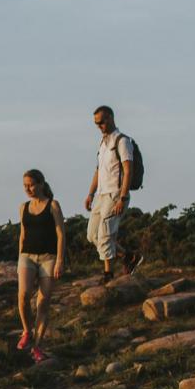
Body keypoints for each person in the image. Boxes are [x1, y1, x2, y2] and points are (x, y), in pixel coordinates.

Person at [15, 169, 64, 362]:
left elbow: (61, 234)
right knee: (23, 295)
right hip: (27, 256)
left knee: (43, 302)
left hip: (48, 257)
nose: (28, 188)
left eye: (31, 184)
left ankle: (37, 347)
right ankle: (27, 331)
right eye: (25, 185)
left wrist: (60, 259)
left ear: (41, 184)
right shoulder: (23, 207)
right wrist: (19, 258)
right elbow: (22, 234)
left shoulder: (53, 205)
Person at [83, 105, 137, 277]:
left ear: (111, 118)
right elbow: (98, 171)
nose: (99, 127)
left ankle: (108, 274)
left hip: (116, 193)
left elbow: (128, 170)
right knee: (92, 235)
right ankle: (128, 256)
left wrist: (122, 197)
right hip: (101, 194)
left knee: (105, 234)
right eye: (96, 124)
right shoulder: (103, 143)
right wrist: (90, 194)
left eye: (101, 122)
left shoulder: (122, 141)